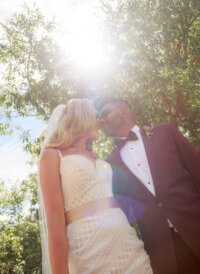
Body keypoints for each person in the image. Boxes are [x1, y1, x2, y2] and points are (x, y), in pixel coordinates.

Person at [39, 98, 153, 274]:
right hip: (88, 253)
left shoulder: (97, 157)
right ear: (82, 117)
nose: (100, 121)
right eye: (96, 116)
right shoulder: (53, 155)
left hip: (129, 246)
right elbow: (54, 225)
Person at [100, 98, 200, 274]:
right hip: (163, 253)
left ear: (124, 111)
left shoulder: (165, 132)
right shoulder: (110, 163)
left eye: (105, 113)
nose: (102, 120)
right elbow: (122, 214)